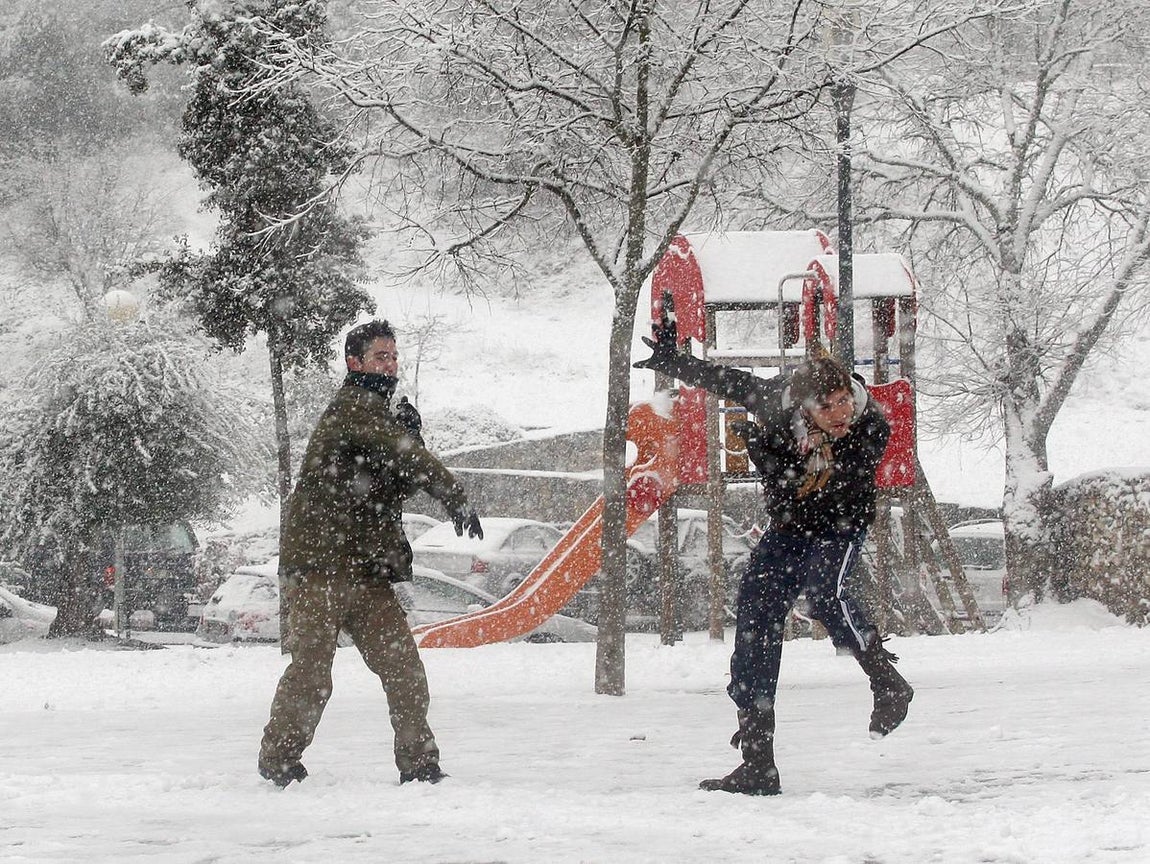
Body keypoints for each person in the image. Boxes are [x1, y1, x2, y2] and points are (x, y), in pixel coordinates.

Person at [634, 303, 913, 796]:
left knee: (827, 593)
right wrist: (677, 362)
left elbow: (838, 492)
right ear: (804, 407)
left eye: (844, 400)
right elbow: (728, 380)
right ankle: (758, 762)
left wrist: (796, 464)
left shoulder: (871, 424)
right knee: (756, 617)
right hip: (789, 530)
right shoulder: (774, 403)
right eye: (827, 407)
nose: (841, 413)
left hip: (839, 526)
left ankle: (887, 683)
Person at [259, 319, 484, 788]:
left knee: (404, 670)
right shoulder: (351, 407)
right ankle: (279, 759)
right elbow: (403, 456)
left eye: (394, 357)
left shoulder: (378, 416)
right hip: (320, 567)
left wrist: (414, 440)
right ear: (354, 363)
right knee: (312, 674)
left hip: (365, 571)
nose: (390, 365)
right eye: (381, 357)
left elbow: (394, 480)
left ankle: (420, 765)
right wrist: (452, 492)